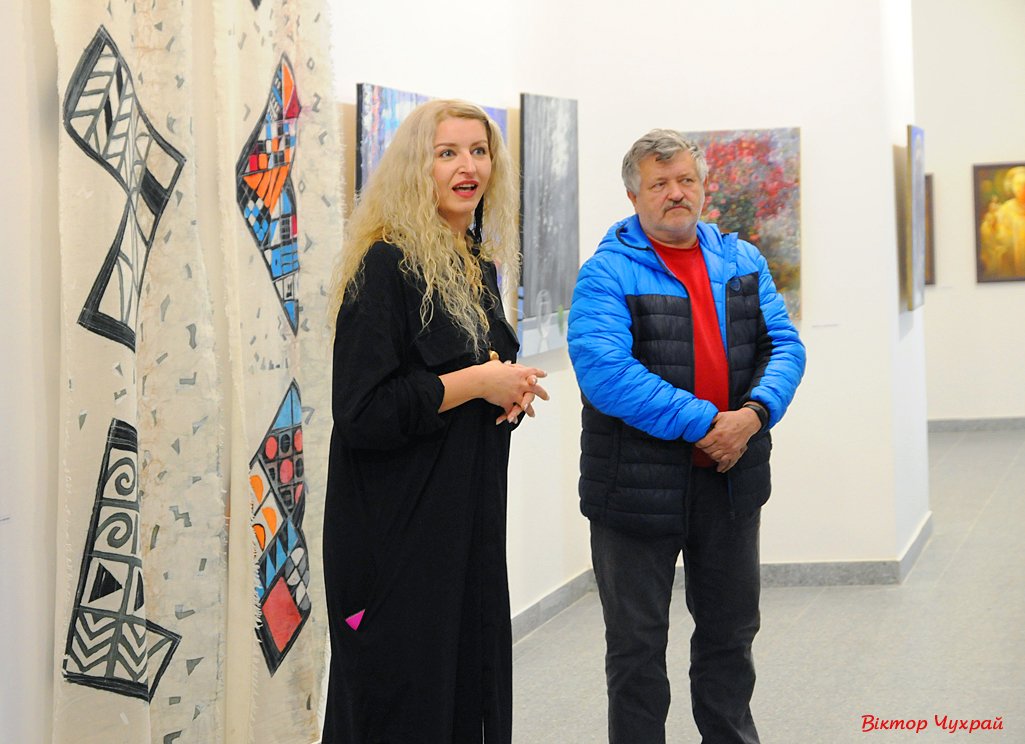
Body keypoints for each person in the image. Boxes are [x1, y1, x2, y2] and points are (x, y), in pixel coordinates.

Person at [567, 129, 805, 743]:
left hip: (729, 484)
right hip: (633, 492)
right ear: (633, 195)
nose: (675, 193)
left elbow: (785, 346)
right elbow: (606, 373)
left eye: (686, 180)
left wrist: (752, 415)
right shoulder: (606, 273)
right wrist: (708, 424)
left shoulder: (744, 262)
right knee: (637, 649)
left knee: (731, 635)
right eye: (659, 183)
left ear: (703, 187)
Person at [322, 99, 548, 744]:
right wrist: (476, 382)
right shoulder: (384, 265)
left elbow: (475, 373)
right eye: (446, 153)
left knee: (464, 686)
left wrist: (507, 392)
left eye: (478, 151)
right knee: (402, 699)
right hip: (397, 533)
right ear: (415, 168)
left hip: (465, 524)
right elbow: (362, 412)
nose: (466, 167)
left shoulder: (476, 263)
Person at [979, 165, 1025, 279]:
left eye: (1024, 184)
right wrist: (991, 224)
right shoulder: (1005, 210)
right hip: (1012, 266)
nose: (1021, 188)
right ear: (1012, 187)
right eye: (1017, 184)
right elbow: (995, 237)